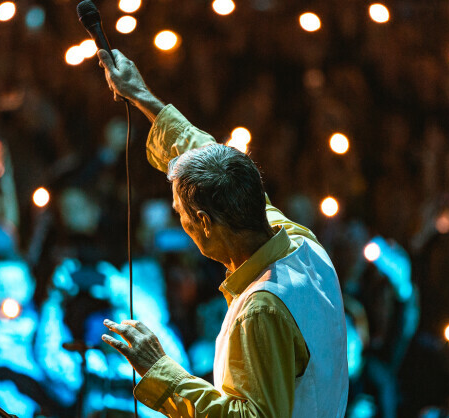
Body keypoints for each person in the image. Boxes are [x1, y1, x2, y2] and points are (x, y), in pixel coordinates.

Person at [97, 49, 349, 417]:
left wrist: (161, 372)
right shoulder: (301, 243)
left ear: (203, 221)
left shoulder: (261, 309)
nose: (180, 225)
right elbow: (202, 151)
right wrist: (141, 96)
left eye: (180, 214)